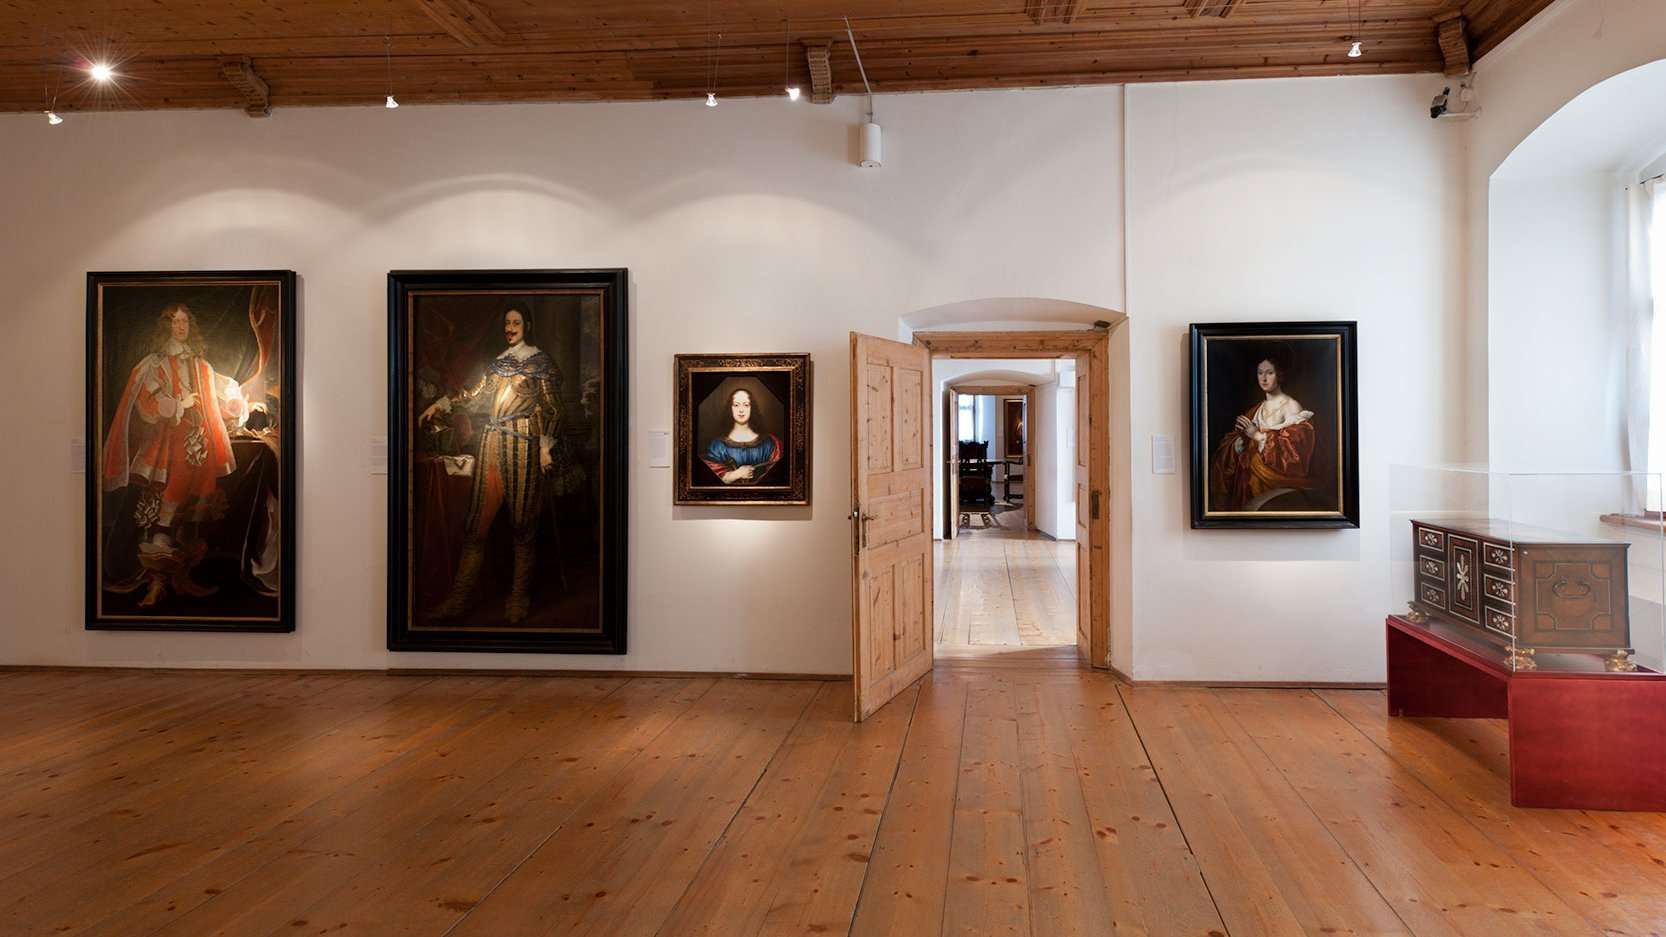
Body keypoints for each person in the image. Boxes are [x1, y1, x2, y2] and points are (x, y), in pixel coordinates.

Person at [102, 303, 250, 605]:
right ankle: (156, 580)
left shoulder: (201, 366)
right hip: (169, 443)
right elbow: (147, 405)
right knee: (169, 500)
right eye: (175, 322)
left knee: (195, 505)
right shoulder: (154, 364)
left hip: (199, 444)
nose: (180, 327)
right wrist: (179, 405)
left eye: (185, 322)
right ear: (166, 327)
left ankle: (180, 576)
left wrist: (236, 405)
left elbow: (215, 402)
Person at [420, 306, 561, 623]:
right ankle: (458, 600)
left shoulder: (541, 362)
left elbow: (553, 409)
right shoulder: (498, 363)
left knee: (523, 525)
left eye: (516, 322)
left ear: (527, 325)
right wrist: (441, 403)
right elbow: (472, 395)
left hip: (523, 442)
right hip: (491, 441)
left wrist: (545, 448)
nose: (510, 328)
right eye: (507, 322)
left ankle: (518, 598)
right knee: (476, 527)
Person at [1209, 355, 1316, 511]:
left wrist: (1257, 436)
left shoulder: (1291, 406)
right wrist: (1242, 441)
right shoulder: (1256, 410)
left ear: (1280, 375)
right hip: (1247, 485)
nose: (1264, 378)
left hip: (1276, 488)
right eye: (1260, 373)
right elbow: (1234, 449)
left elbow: (1295, 456)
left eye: (1269, 373)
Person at [701, 387, 781, 485]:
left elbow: (777, 479)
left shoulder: (770, 443)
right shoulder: (717, 445)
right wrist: (735, 474)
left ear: (752, 408)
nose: (741, 410)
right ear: (730, 408)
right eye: (736, 405)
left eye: (746, 405)